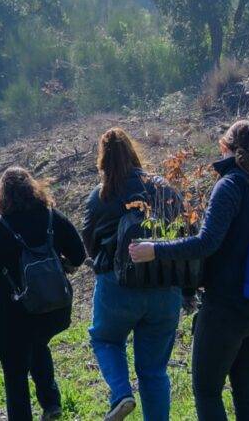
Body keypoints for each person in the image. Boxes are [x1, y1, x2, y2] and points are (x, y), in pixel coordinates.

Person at [130, 120, 249, 421]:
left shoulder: (230, 185)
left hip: (229, 305)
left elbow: (206, 243)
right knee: (246, 389)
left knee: (206, 390)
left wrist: (155, 249)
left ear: (225, 146)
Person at [0, 167, 85, 421]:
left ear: (3, 195)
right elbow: (79, 253)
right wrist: (58, 265)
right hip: (52, 308)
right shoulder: (51, 217)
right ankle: (51, 402)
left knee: (15, 373)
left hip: (13, 313)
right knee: (38, 345)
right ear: (33, 188)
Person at [82, 128, 185, 421]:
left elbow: (88, 244)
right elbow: (186, 231)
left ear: (103, 160)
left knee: (105, 339)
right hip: (164, 286)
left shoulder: (99, 197)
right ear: (133, 152)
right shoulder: (161, 187)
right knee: (154, 371)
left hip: (118, 286)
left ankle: (121, 394)